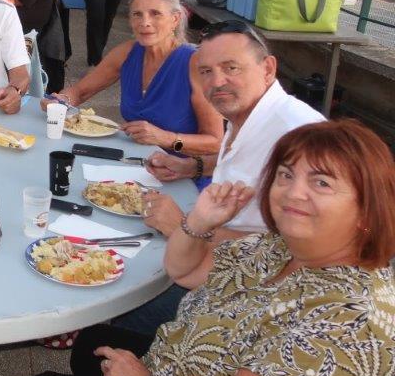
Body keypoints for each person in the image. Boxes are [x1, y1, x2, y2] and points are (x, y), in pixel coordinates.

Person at [5, 120, 395, 376]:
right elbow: (186, 270)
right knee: (93, 344)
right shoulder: (281, 249)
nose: (294, 192)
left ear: (368, 207)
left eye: (321, 182)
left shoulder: (352, 315)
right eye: (286, 175)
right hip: (189, 368)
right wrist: (198, 223)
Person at [112, 19, 325, 335]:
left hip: (255, 296)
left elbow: (302, 250)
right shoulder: (248, 112)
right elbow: (248, 168)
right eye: (206, 71)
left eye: (231, 68)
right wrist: (192, 167)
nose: (217, 82)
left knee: (123, 309)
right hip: (217, 256)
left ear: (268, 68)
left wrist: (186, 227)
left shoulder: (298, 135)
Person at [41, 0, 222, 159]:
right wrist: (61, 101)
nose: (145, 22)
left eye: (155, 14)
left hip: (183, 170)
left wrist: (167, 139)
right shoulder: (127, 53)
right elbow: (80, 91)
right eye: (137, 14)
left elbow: (215, 143)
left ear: (175, 19)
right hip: (135, 160)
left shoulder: (195, 64)